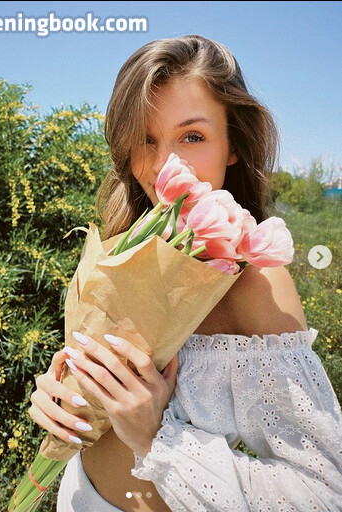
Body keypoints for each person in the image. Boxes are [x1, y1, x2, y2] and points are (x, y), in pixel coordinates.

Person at [29, 35, 342, 512]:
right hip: (73, 494)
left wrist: (156, 437)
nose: (162, 165)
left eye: (192, 136)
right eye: (145, 139)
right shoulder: (124, 238)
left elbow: (324, 490)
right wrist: (61, 393)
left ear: (233, 144)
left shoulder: (255, 283)